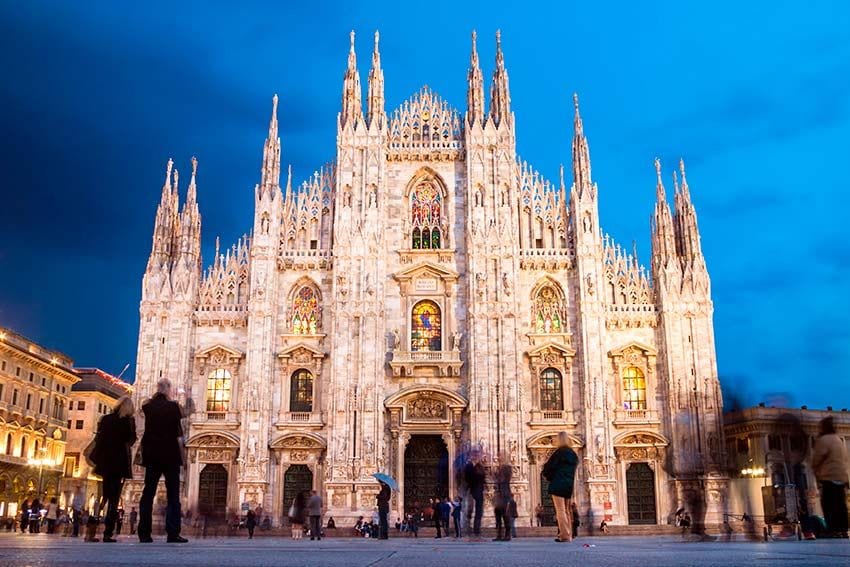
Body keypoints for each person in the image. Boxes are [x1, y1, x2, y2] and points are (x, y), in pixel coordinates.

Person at [138, 379, 190, 543]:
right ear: (168, 390)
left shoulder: (148, 407)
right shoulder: (173, 407)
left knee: (148, 493)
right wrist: (185, 397)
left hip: (152, 455)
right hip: (170, 455)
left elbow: (144, 405)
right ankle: (172, 533)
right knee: (173, 495)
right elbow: (183, 418)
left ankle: (144, 533)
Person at [89, 395, 137, 543]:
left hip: (105, 462)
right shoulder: (128, 421)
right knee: (114, 499)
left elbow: (100, 438)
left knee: (103, 496)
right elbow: (132, 439)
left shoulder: (106, 419)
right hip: (119, 462)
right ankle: (107, 533)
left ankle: (91, 530)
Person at [812, 416, 850, 538]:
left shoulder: (824, 440)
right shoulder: (838, 439)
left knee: (829, 504)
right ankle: (843, 530)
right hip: (841, 476)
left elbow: (817, 458)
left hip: (829, 476)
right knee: (840, 505)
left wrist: (814, 467)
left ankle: (833, 530)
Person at [542, 432, 578, 543]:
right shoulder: (573, 454)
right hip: (568, 485)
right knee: (567, 511)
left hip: (558, 484)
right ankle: (569, 534)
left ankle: (564, 536)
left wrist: (548, 476)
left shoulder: (559, 453)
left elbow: (549, 467)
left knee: (560, 511)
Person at [463, 454, 486, 538]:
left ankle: (475, 529)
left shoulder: (473, 468)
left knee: (476, 511)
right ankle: (475, 529)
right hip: (475, 491)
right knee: (475, 511)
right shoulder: (472, 468)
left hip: (474, 490)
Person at [493, 464, 512, 541]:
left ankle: (507, 535)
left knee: (505, 518)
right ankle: (499, 535)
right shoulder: (500, 481)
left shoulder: (506, 480)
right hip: (499, 500)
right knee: (498, 519)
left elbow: (506, 492)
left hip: (504, 500)